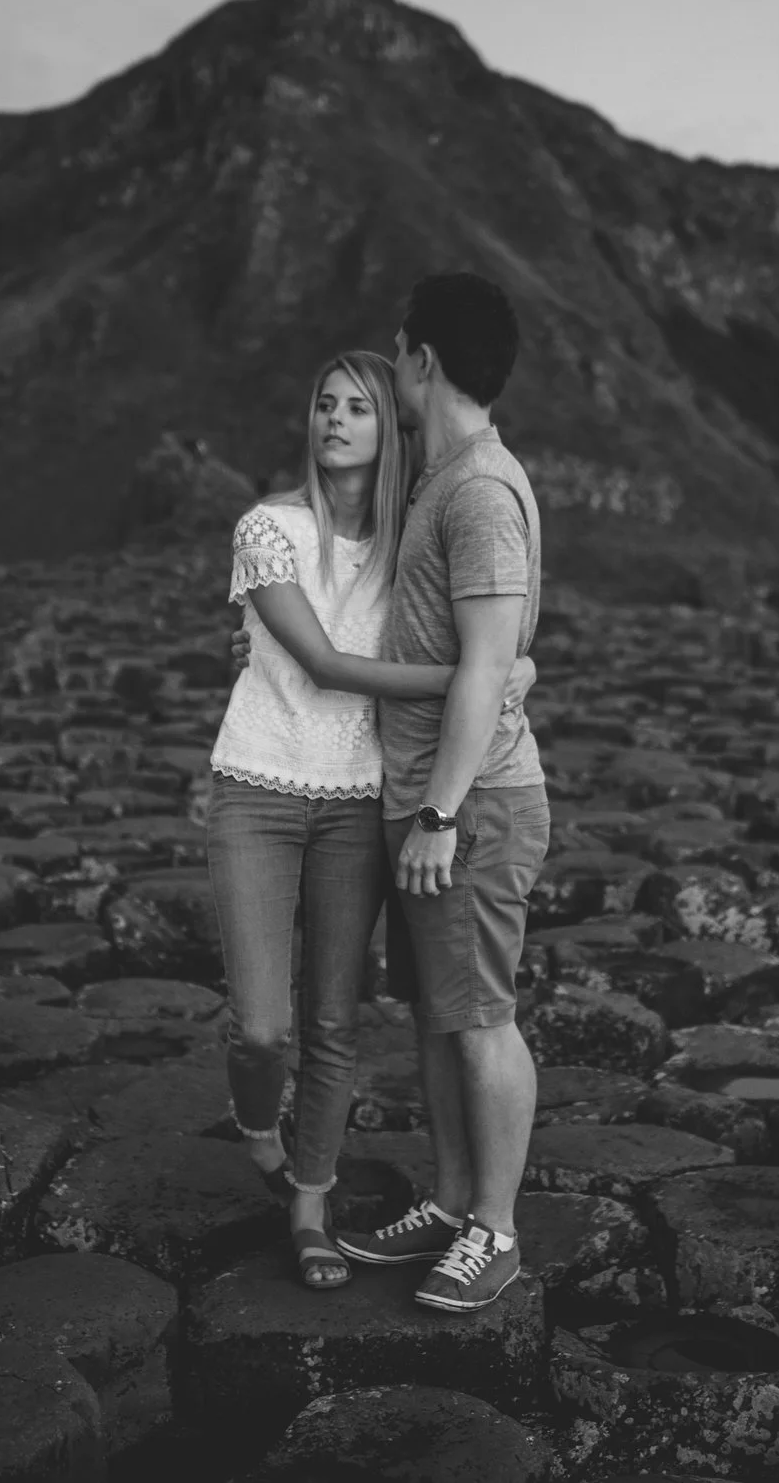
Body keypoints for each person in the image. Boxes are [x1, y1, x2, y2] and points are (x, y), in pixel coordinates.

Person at [205, 348, 534, 1291]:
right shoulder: (267, 526)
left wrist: (516, 664)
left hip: (359, 797)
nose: (336, 419)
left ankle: (311, 1206)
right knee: (263, 1028)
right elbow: (324, 664)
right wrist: (480, 676)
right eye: (323, 404)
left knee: (336, 1020)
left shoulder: (408, 543)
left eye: (359, 405)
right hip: (257, 786)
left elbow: (492, 626)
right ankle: (260, 1126)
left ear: (391, 427)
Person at [331, 273, 551, 1315]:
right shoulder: (438, 476)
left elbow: (485, 664)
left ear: (423, 361)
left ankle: (497, 1231)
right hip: (425, 798)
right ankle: (456, 1199)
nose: (390, 365)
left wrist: (441, 812)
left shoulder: (478, 490)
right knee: (436, 1016)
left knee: (480, 1019)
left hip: (472, 803)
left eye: (397, 349)